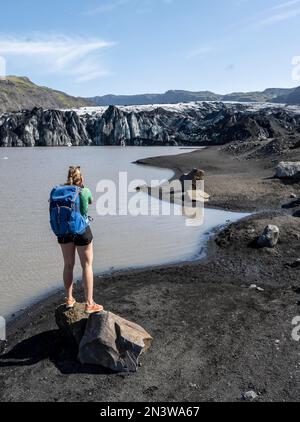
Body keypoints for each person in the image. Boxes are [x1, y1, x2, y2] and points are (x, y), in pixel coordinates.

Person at [56, 166, 103, 314]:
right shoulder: (85, 191)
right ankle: (89, 303)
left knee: (68, 264)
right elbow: (90, 202)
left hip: (64, 232)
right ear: (81, 179)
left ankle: (69, 299)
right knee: (87, 265)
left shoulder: (60, 192)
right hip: (82, 230)